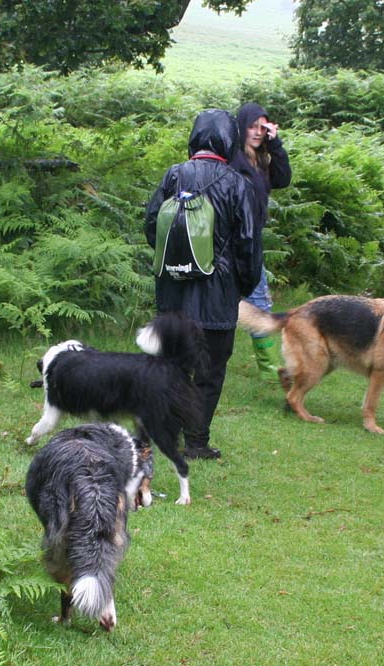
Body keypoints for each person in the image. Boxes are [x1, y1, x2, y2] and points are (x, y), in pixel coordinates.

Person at [145, 109, 261, 460]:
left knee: (170, 366)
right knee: (209, 373)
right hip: (218, 296)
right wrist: (242, 284)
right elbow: (249, 243)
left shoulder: (173, 175)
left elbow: (152, 226)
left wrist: (175, 263)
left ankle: (162, 431)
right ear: (230, 140)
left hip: (173, 294)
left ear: (194, 138)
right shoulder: (238, 183)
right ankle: (196, 441)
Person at [230, 102, 292, 383]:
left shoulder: (263, 160)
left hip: (253, 240)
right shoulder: (233, 159)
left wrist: (276, 144)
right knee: (232, 299)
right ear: (241, 127)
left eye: (261, 127)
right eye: (252, 126)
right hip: (232, 240)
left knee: (258, 299)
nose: (256, 132)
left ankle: (267, 365)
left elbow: (283, 179)